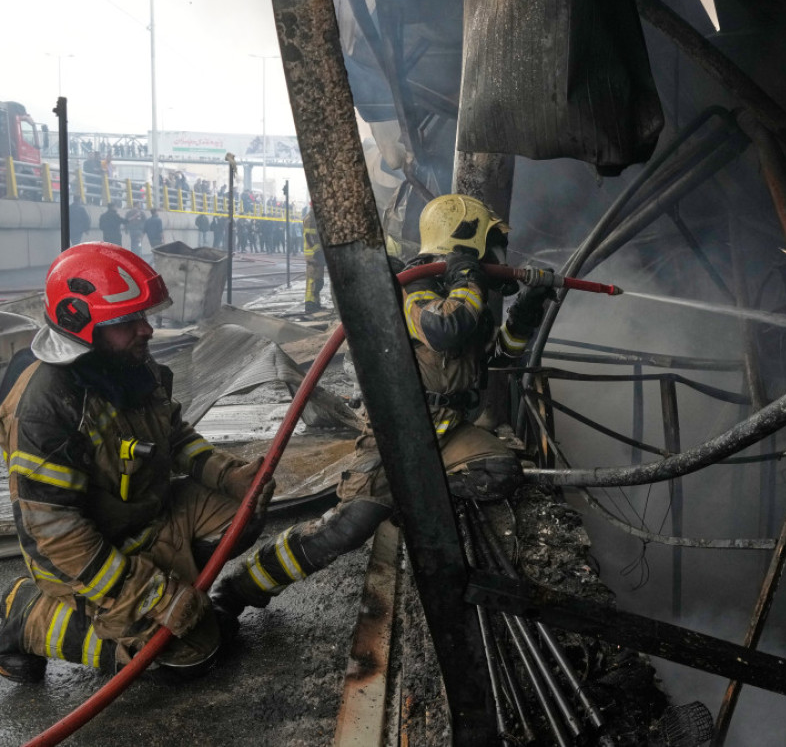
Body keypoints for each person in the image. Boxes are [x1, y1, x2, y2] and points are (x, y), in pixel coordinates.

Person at [210, 193, 553, 620]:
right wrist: (467, 275)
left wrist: (528, 307)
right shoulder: (414, 287)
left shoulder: (470, 301)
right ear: (465, 239)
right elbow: (445, 329)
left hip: (449, 431)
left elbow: (502, 354)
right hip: (398, 432)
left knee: (498, 473)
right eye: (490, 243)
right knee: (347, 527)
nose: (498, 255)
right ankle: (240, 587)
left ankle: (412, 503)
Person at [0, 244, 273, 683]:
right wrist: (154, 597)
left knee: (244, 515)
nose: (146, 330)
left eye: (143, 316)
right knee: (186, 657)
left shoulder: (129, 364)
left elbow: (174, 435)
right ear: (79, 326)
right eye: (128, 321)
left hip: (144, 519)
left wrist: (229, 475)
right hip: (79, 557)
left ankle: (162, 593)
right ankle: (26, 616)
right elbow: (60, 538)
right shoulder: (45, 409)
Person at [302, 208, 326, 314]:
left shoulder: (316, 216)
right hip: (313, 255)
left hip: (317, 253)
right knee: (313, 280)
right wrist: (317, 251)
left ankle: (316, 303)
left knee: (318, 280)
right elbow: (309, 236)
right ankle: (309, 304)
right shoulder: (310, 218)